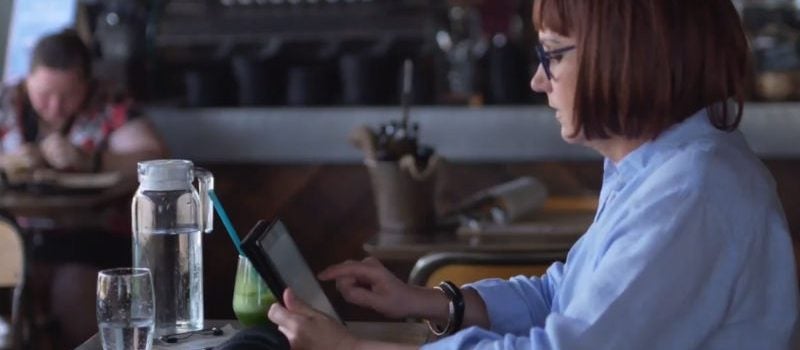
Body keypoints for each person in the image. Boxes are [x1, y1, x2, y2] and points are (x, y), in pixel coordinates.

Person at [267, 0, 800, 349]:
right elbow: (561, 296)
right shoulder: (657, 168)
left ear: (624, 56)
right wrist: (429, 302)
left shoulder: (691, 193)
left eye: (553, 56)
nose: (537, 80)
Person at [0, 29, 167, 347]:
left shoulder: (108, 102)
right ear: (28, 79)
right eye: (43, 94)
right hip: (14, 236)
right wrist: (8, 161)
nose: (54, 107)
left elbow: (153, 157)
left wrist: (90, 160)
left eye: (67, 96)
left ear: (87, 84)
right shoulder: (7, 100)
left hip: (89, 239)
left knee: (78, 297)